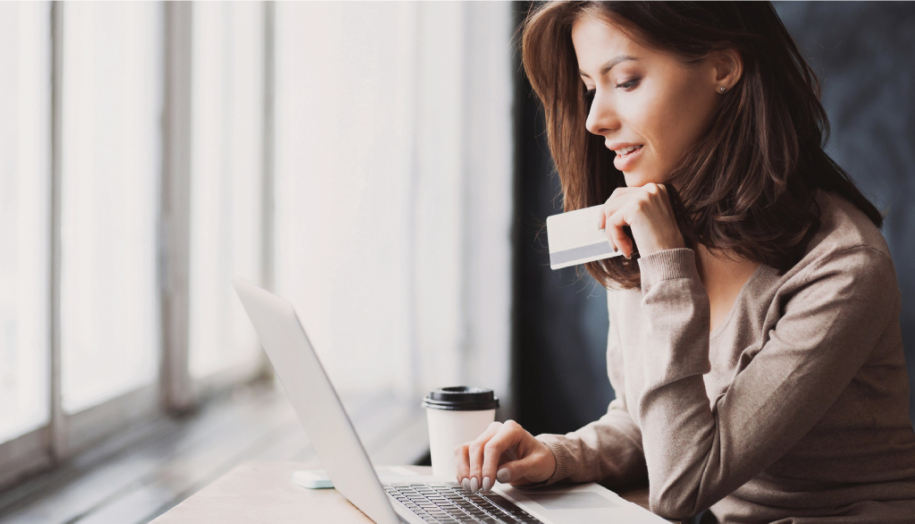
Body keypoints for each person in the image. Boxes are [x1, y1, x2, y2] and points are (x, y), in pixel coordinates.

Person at [453, 0, 915, 522]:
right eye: (589, 87)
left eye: (625, 80)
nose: (595, 119)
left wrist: (667, 266)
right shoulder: (652, 221)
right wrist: (559, 455)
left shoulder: (842, 267)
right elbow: (650, 422)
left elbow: (681, 484)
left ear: (722, 68)